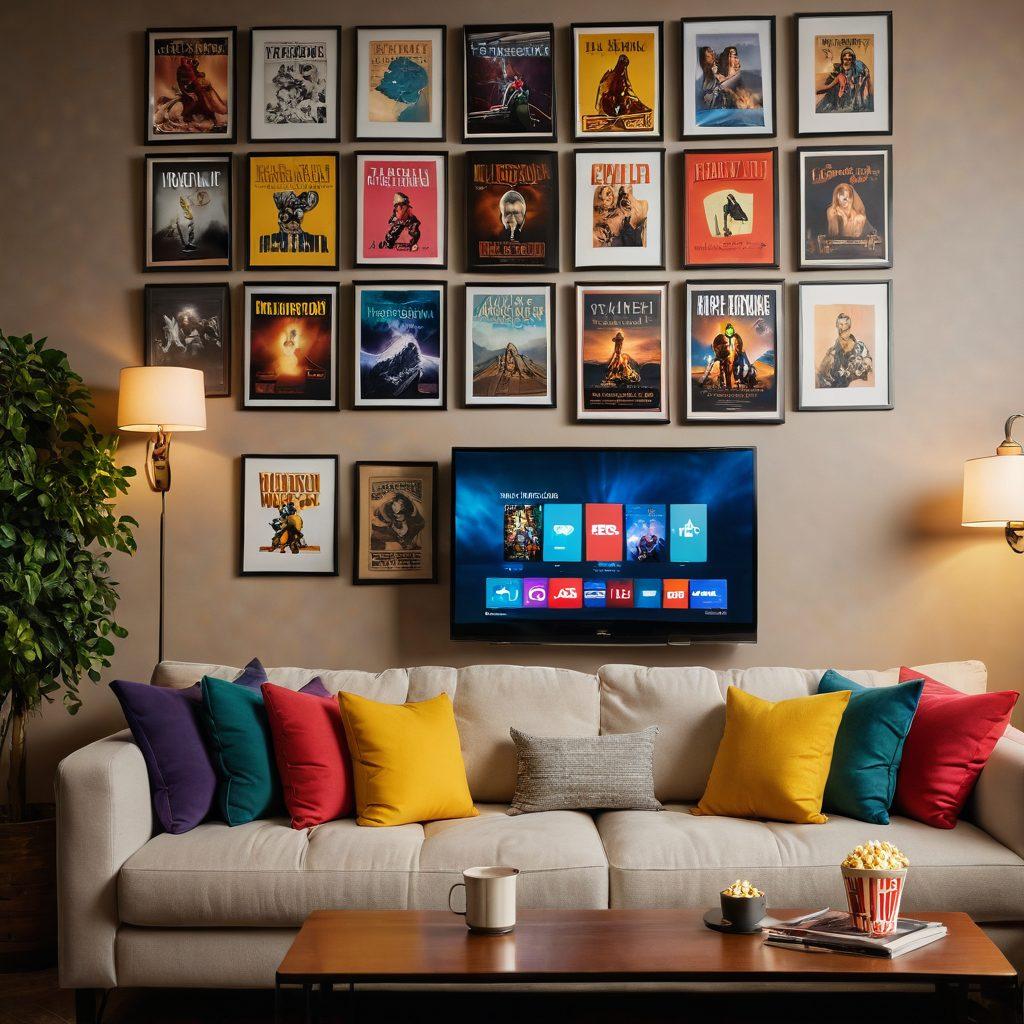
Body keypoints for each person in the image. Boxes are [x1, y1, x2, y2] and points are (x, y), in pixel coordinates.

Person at [816, 312, 873, 388]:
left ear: (849, 326)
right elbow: (821, 375)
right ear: (837, 326)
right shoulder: (831, 352)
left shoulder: (860, 347)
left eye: (846, 324)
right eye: (841, 324)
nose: (843, 327)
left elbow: (868, 370)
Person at [816, 47, 872, 113]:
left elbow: (866, 80)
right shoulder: (839, 70)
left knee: (859, 92)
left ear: (852, 60)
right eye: (845, 59)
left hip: (861, 76)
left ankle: (861, 104)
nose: (847, 61)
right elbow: (829, 86)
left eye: (849, 59)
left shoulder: (858, 68)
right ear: (842, 59)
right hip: (845, 90)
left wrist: (868, 93)